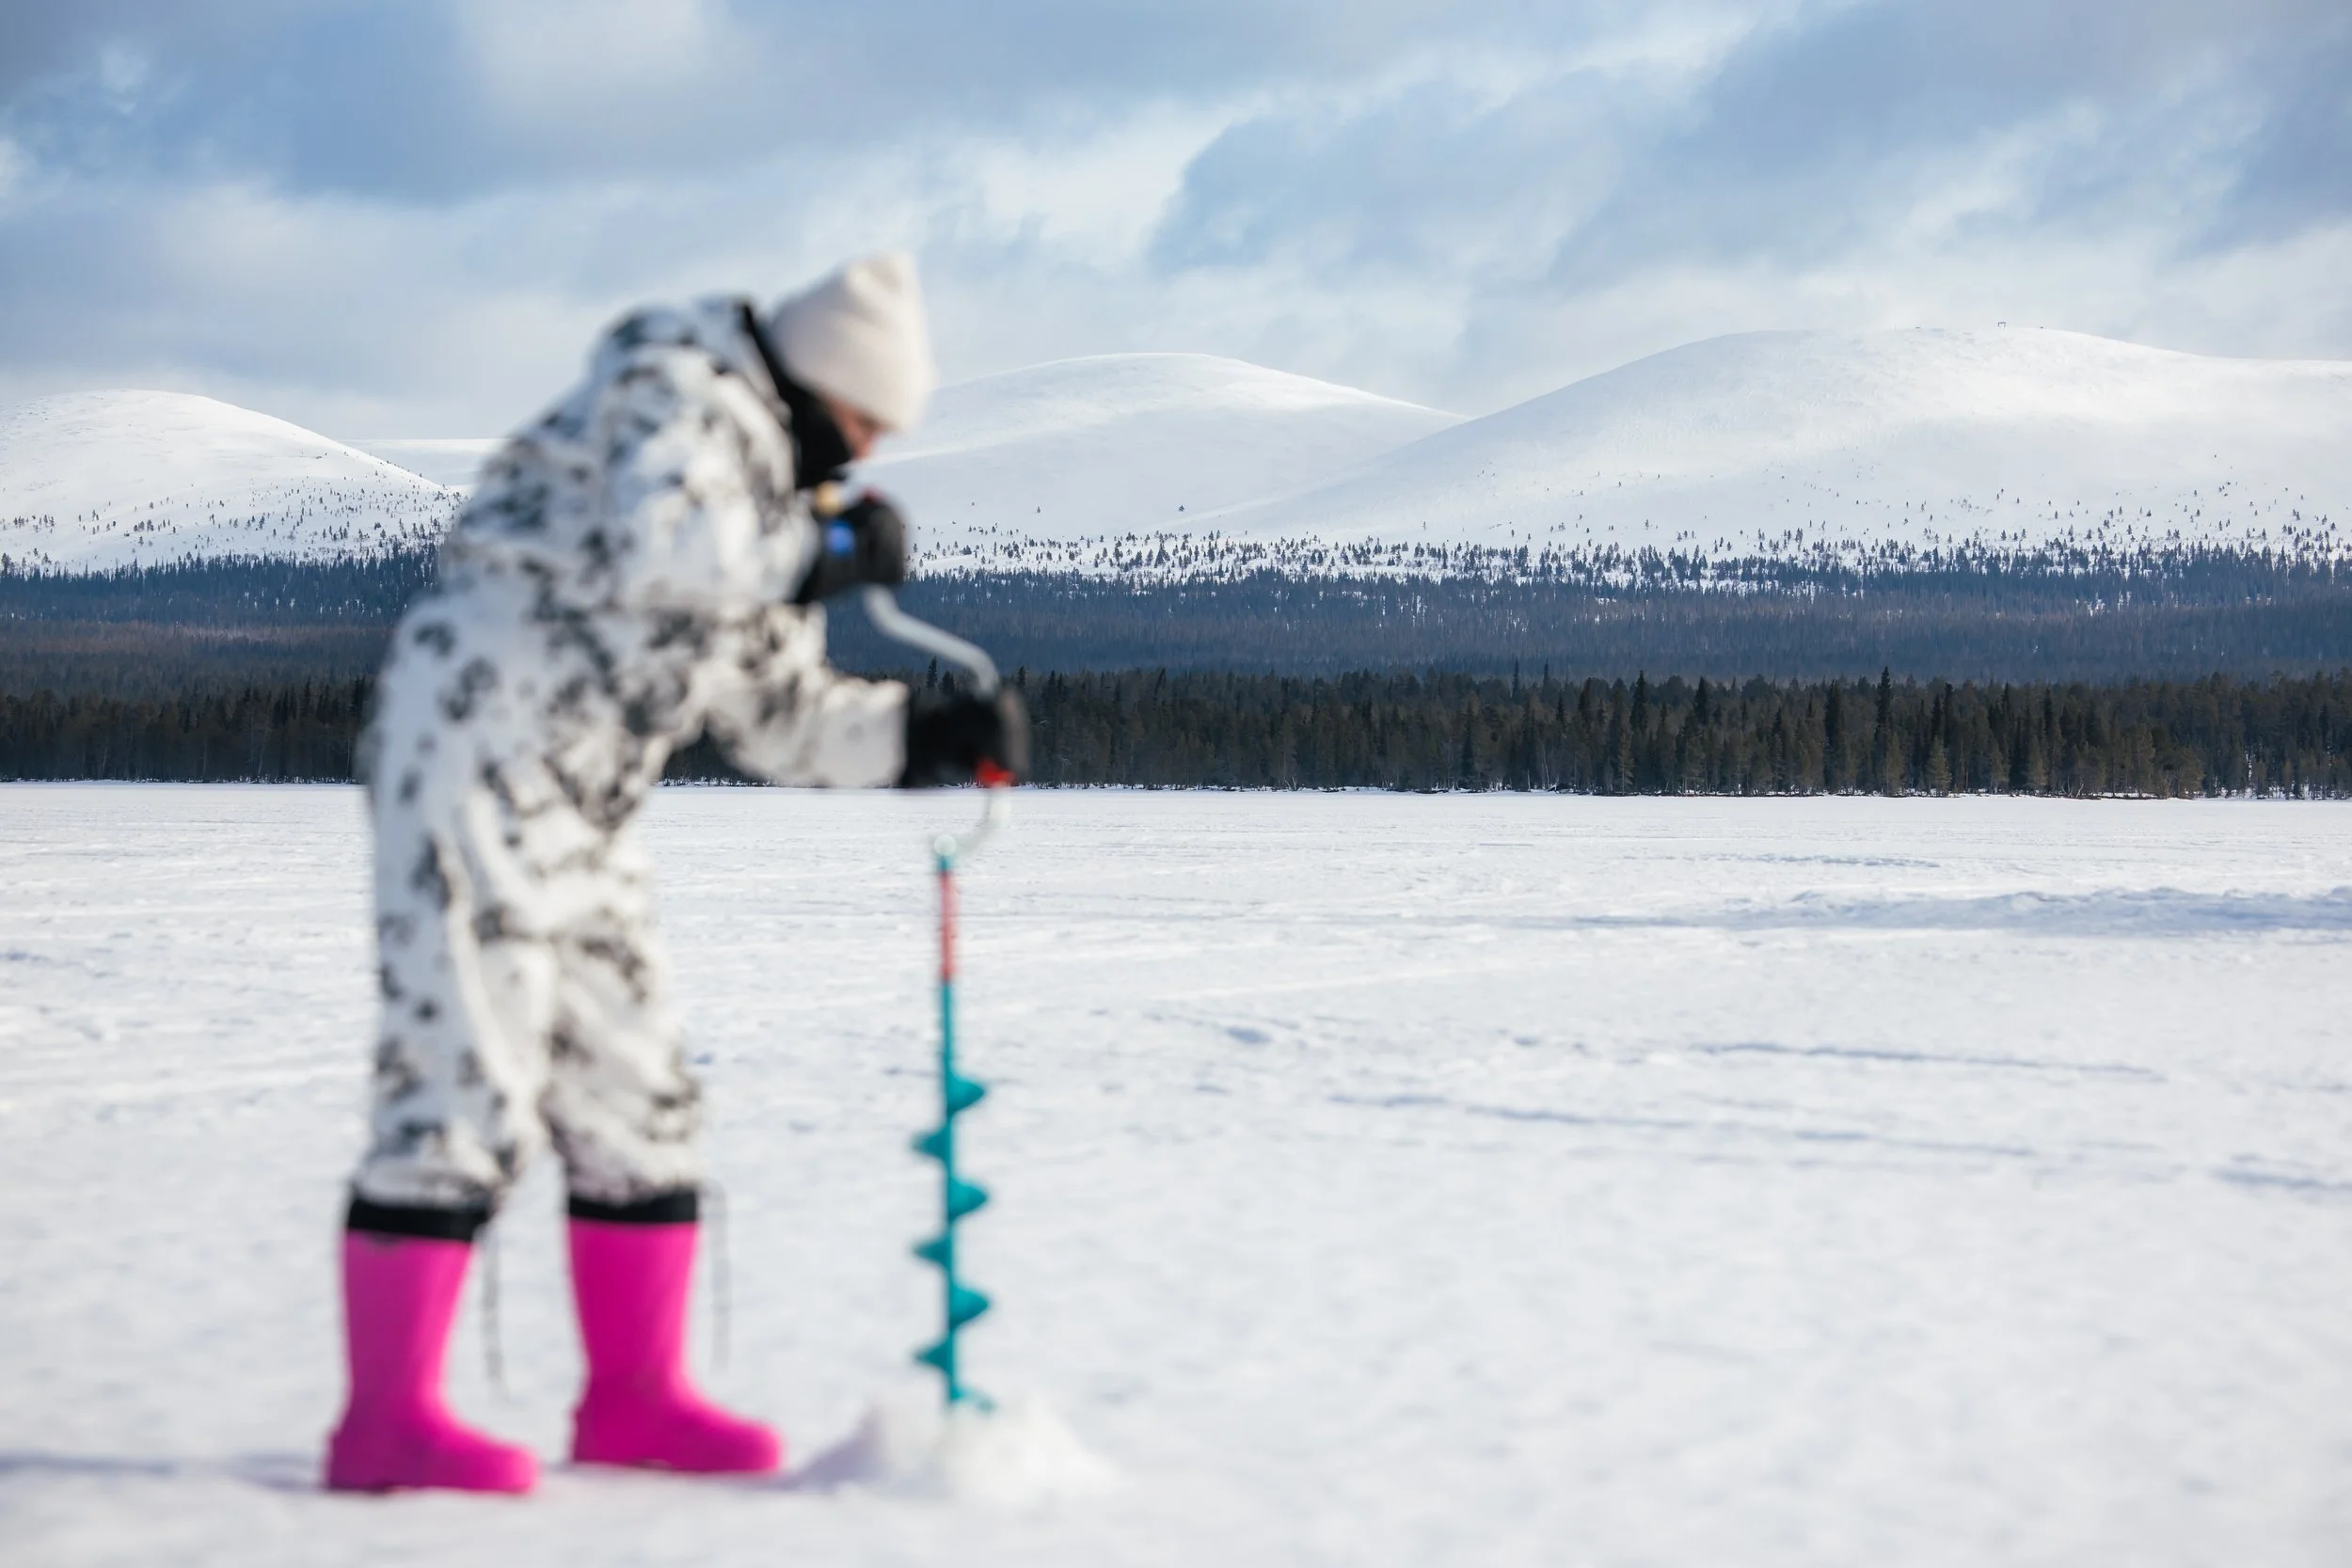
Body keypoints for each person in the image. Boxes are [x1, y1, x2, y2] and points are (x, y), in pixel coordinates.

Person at [324, 253, 1026, 1494]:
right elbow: (671, 549)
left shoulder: (772, 503)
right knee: (465, 1077)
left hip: (589, 804)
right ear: (820, 379)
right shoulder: (672, 389)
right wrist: (820, 549)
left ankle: (634, 1398)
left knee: (640, 1084)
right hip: (472, 762)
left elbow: (771, 710)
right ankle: (386, 1420)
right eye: (863, 422)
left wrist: (918, 737)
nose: (858, 455)